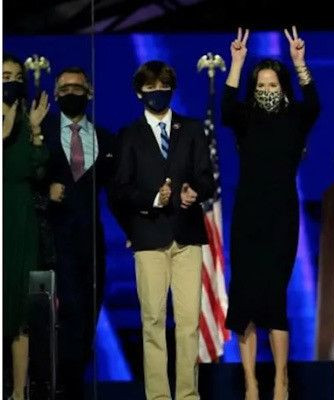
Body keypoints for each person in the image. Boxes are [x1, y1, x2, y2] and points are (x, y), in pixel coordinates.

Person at [222, 26, 320, 400]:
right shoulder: (244, 116)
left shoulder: (295, 116)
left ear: (282, 87)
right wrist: (237, 62)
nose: (265, 91)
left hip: (281, 214)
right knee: (244, 297)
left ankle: (281, 380)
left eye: (272, 85)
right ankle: (250, 382)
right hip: (247, 214)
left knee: (275, 296)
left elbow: (314, 104)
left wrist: (299, 63)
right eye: (260, 86)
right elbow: (227, 106)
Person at [111, 60, 213, 400]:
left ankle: (187, 395)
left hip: (187, 237)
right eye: (152, 88)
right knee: (153, 321)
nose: (159, 93)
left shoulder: (193, 129)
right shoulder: (129, 135)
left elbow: (206, 177)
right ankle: (157, 396)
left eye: (164, 87)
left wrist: (192, 192)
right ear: (140, 92)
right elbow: (120, 189)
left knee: (188, 324)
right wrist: (154, 197)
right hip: (149, 238)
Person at [39, 66, 116, 399]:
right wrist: (46, 193)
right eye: (65, 89)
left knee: (88, 310)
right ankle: (64, 384)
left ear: (90, 92)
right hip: (54, 237)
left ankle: (75, 376)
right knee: (66, 310)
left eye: (77, 87)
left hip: (91, 240)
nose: (71, 93)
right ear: (56, 95)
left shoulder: (105, 137)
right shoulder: (40, 131)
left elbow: (120, 190)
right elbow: (22, 178)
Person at [3, 53, 50, 400]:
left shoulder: (26, 121)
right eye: (5, 75)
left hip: (21, 217)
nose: (12, 81)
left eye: (17, 76)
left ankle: (19, 392)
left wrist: (34, 130)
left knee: (20, 312)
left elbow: (35, 171)